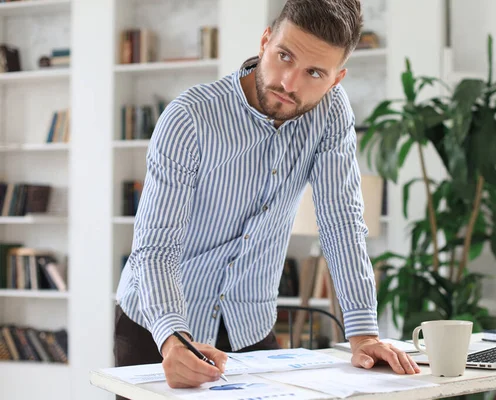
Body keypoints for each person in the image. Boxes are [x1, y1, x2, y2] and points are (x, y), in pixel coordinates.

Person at [114, 0, 420, 392]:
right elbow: (156, 248)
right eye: (284, 56)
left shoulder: (330, 114)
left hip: (250, 327)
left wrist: (363, 334)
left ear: (335, 80)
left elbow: (341, 220)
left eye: (314, 72)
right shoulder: (189, 118)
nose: (290, 83)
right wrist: (173, 337)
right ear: (264, 42)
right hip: (158, 327)